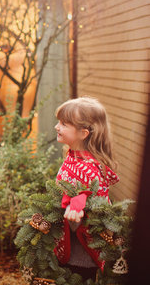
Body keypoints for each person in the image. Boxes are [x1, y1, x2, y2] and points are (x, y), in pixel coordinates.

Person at [53, 96, 120, 280]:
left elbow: (93, 210)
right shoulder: (73, 157)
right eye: (59, 122)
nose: (57, 127)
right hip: (67, 246)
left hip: (80, 256)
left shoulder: (88, 170)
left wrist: (70, 210)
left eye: (64, 124)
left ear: (83, 133)